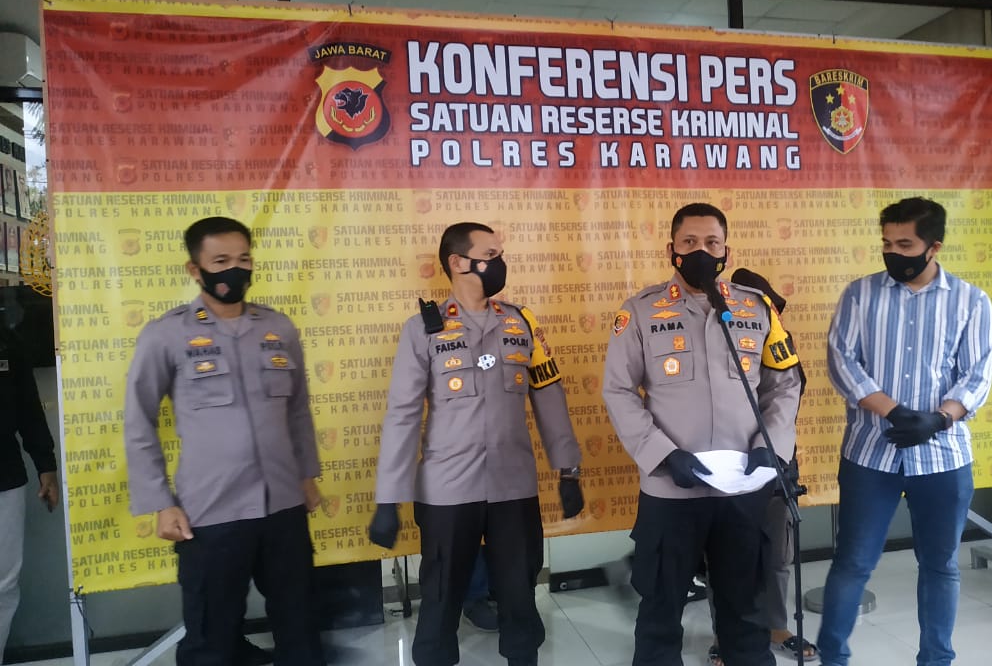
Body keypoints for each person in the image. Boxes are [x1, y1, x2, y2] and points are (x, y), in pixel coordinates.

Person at [368, 222, 584, 666]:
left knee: (519, 595)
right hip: (447, 489)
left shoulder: (521, 322)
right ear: (457, 262)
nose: (499, 262)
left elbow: (549, 394)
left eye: (500, 253)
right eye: (490, 255)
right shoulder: (423, 329)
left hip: (513, 485)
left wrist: (569, 469)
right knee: (441, 595)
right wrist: (388, 499)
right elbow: (403, 415)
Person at [603, 203, 803, 666]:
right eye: (690, 242)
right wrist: (662, 454)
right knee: (660, 610)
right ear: (671, 250)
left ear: (726, 251)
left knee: (745, 610)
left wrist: (770, 449)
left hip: (742, 488)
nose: (701, 251)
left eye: (712, 243)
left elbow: (784, 385)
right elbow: (618, 390)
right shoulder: (640, 311)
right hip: (671, 488)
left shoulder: (756, 308)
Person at [124, 217, 326, 666]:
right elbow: (139, 420)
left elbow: (297, 410)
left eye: (243, 259)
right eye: (220, 261)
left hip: (283, 506)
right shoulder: (167, 334)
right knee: (211, 636)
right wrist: (160, 502)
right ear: (195, 269)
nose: (235, 270)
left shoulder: (277, 328)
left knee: (300, 623)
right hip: (210, 511)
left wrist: (306, 477)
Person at [818, 197, 992, 666]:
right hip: (869, 454)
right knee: (853, 563)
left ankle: (936, 660)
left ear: (933, 247)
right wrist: (894, 412)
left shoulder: (971, 302)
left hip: (943, 457)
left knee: (940, 565)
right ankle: (832, 658)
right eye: (887, 243)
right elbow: (841, 361)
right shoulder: (860, 295)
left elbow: (977, 375)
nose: (893, 253)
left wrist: (938, 419)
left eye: (905, 244)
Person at [704, 268, 816, 666]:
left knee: (777, 554)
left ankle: (777, 626)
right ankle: (723, 635)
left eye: (774, 310)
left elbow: (788, 399)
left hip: (777, 465)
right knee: (723, 558)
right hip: (729, 466)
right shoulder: (717, 342)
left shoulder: (780, 342)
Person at [0, 324, 57, 663]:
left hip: (4, 477)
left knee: (3, 585)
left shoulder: (6, 340)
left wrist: (45, 465)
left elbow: (28, 407)